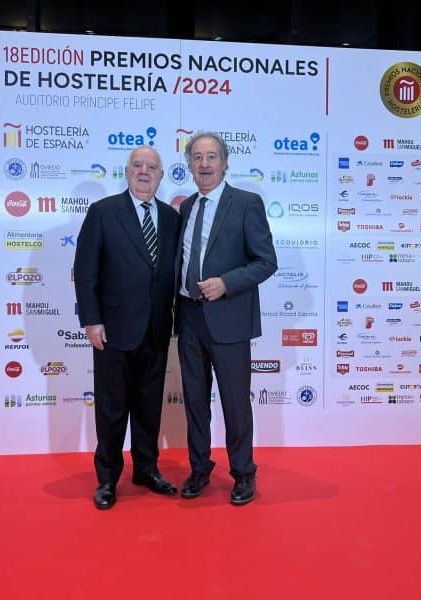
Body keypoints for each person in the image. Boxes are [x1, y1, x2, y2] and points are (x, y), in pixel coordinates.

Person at [74, 145, 180, 510]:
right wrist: (91, 320)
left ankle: (146, 469)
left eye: (152, 166)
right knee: (112, 408)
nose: (144, 171)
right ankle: (107, 479)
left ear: (161, 176)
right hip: (114, 330)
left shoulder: (171, 218)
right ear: (127, 171)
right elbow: (85, 271)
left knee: (149, 407)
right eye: (138, 165)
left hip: (157, 329)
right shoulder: (103, 212)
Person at [175, 132, 277, 506]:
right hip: (188, 317)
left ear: (224, 162)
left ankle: (243, 473)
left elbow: (266, 261)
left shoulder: (247, 203)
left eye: (211, 157)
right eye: (197, 157)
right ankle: (199, 468)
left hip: (229, 319)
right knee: (194, 401)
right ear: (189, 164)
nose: (204, 164)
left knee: (235, 403)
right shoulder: (186, 207)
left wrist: (225, 283)